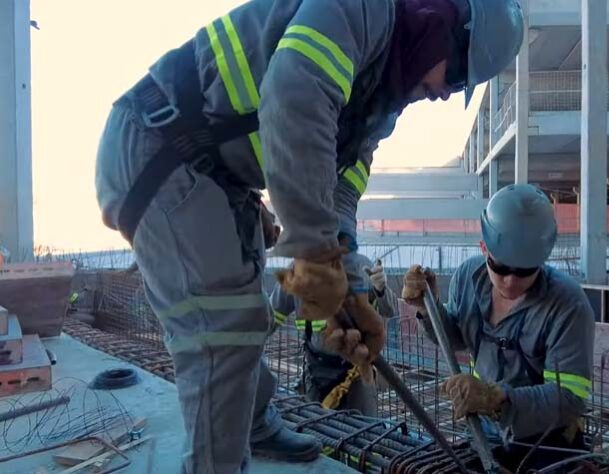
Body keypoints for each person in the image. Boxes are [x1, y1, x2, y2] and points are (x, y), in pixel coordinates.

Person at [94, 0, 525, 471]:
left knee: (245, 316)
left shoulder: (382, 90)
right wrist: (317, 252)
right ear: (441, 25)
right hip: (159, 150)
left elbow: (343, 181)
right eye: (459, 75)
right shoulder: (356, 10)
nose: (447, 94)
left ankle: (253, 424)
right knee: (220, 331)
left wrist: (348, 282)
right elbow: (296, 97)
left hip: (213, 171)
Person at [402, 184, 596, 472]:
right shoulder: (469, 276)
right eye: (501, 268)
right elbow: (456, 337)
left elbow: (570, 399)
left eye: (524, 271)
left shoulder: (568, 305)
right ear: (485, 248)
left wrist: (498, 399)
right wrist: (428, 309)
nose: (510, 281)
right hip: (486, 434)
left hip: (547, 443)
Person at [271, 257, 396, 415]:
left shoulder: (361, 267)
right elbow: (269, 319)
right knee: (316, 427)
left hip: (356, 375)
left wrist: (381, 290)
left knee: (364, 430)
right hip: (316, 372)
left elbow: (390, 310)